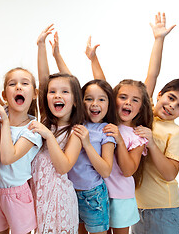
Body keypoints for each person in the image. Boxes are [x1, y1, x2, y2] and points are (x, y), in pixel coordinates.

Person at [131, 12, 179, 234]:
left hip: (164, 210)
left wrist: (151, 143)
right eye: (171, 98)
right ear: (160, 95)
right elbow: (152, 75)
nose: (172, 106)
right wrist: (159, 40)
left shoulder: (177, 133)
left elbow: (169, 173)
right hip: (137, 208)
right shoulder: (145, 112)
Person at [49, 28, 117, 234]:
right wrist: (57, 55)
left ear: (108, 103)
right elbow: (70, 81)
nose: (94, 104)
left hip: (93, 195)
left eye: (101, 100)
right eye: (88, 99)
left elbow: (105, 170)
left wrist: (87, 144)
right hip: (68, 192)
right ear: (80, 101)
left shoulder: (106, 131)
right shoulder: (77, 121)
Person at [86, 37, 153, 234]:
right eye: (123, 97)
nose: (128, 103)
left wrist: (119, 139)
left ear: (141, 107)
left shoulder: (137, 135)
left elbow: (128, 170)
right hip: (96, 193)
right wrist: (93, 59)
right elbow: (102, 83)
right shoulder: (107, 121)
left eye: (135, 100)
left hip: (121, 197)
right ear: (112, 100)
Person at [28, 24, 85, 234]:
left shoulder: (76, 132)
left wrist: (48, 137)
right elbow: (44, 80)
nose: (57, 95)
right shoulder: (46, 119)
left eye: (64, 92)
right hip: (37, 195)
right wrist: (41, 46)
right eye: (53, 92)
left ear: (76, 100)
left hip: (59, 200)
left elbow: (63, 167)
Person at [0, 67, 42, 234]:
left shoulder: (32, 129)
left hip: (17, 194)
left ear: (34, 93)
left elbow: (7, 157)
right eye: (13, 84)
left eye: (25, 83)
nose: (18, 87)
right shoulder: (2, 113)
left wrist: (4, 122)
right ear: (5, 95)